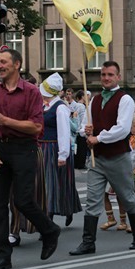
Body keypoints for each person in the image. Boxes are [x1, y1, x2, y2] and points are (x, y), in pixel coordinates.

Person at [0, 48, 62, 269]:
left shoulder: (31, 92)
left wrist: (5, 120)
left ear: (17, 65)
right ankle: (2, 256)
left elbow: (36, 126)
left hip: (24, 149)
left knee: (22, 201)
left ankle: (49, 230)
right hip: (0, 149)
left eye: (3, 62)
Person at [69, 61, 135, 256]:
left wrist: (98, 137)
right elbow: (84, 126)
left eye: (110, 75)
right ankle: (88, 242)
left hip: (117, 157)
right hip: (97, 158)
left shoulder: (125, 99)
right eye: (103, 74)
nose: (106, 78)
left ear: (117, 77)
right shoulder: (94, 100)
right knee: (93, 198)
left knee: (127, 196)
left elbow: (122, 129)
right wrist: (86, 131)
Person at [38, 73, 83, 227]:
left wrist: (62, 154)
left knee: (56, 183)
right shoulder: (44, 106)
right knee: (46, 185)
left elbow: (64, 132)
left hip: (54, 148)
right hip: (43, 148)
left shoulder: (61, 108)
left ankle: (53, 216)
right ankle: (49, 215)